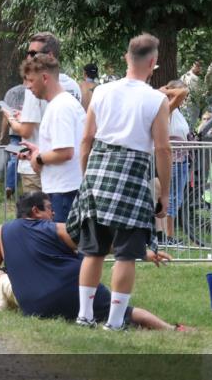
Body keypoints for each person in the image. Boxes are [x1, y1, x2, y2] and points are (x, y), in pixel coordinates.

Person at [0, 192, 188, 330]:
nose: (53, 212)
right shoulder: (56, 229)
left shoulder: (1, 232)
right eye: (49, 208)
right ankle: (171, 329)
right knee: (125, 312)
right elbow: (98, 245)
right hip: (71, 292)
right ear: (36, 211)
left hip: (33, 306)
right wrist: (142, 252)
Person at [73, 33, 171, 330]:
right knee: (126, 255)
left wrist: (86, 176)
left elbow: (86, 139)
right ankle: (114, 323)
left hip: (98, 170)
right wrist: (164, 194)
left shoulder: (101, 91)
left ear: (127, 57)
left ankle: (85, 316)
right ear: (153, 63)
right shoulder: (157, 99)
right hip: (133, 174)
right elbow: (163, 149)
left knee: (94, 250)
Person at [19, 53, 87, 223]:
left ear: (44, 78)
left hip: (64, 191)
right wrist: (37, 151)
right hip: (66, 188)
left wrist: (38, 158)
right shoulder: (63, 103)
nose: (28, 86)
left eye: (31, 80)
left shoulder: (60, 107)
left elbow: (65, 152)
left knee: (62, 239)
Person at [156, 80, 191, 246]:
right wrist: (165, 90)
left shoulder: (177, 111)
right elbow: (182, 92)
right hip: (173, 160)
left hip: (182, 160)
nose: (184, 98)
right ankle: (167, 236)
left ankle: (169, 235)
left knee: (176, 199)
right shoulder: (166, 107)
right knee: (171, 198)